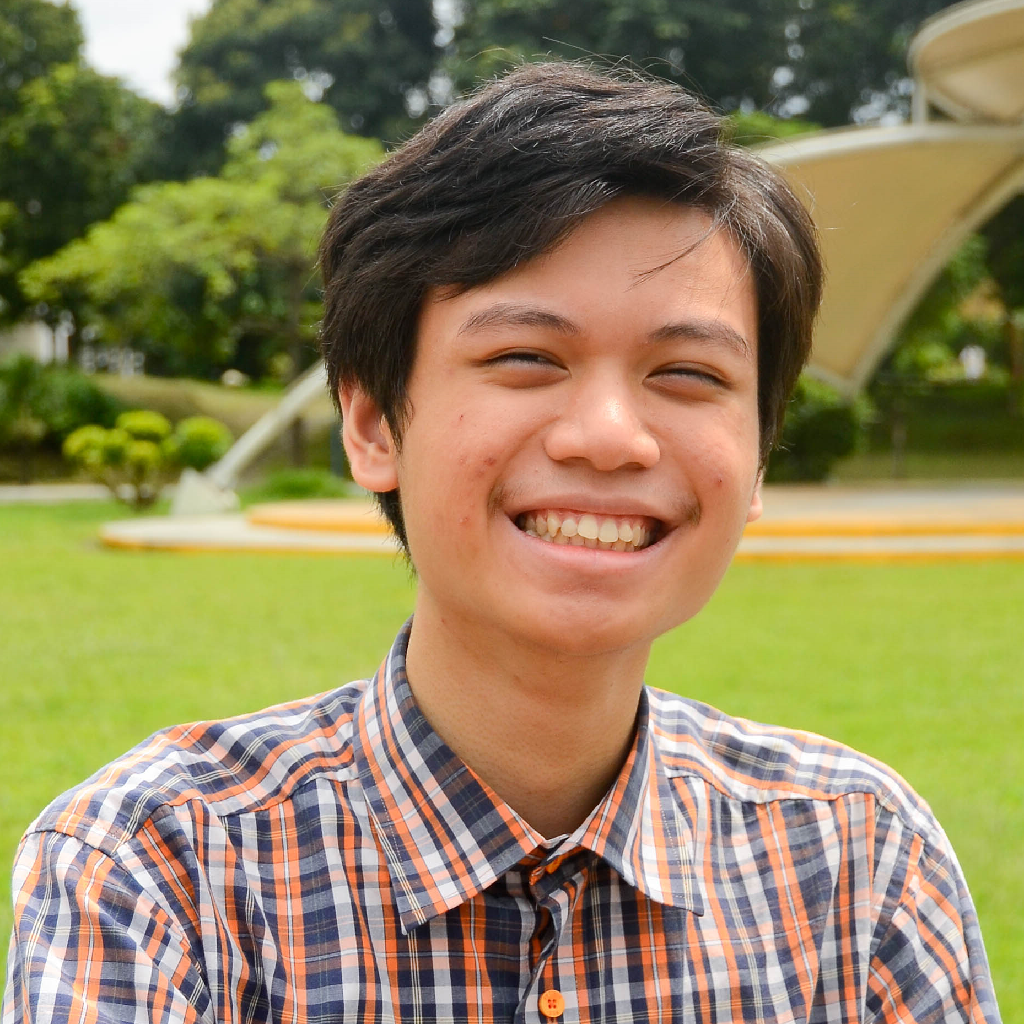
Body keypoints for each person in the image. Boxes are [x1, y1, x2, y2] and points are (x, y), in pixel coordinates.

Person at [4, 63, 1000, 1023]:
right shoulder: (160, 871)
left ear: (757, 456)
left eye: (687, 374)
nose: (609, 436)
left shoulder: (858, 859)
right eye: (526, 357)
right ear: (371, 424)